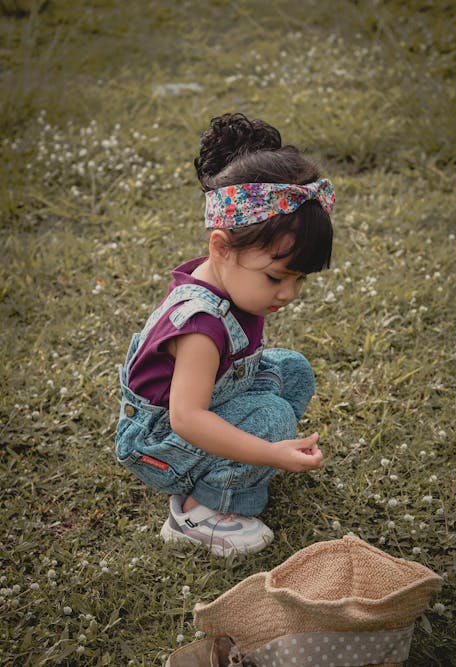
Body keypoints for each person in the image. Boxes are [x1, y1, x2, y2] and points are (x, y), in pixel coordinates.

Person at [115, 112, 335, 556]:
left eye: (300, 279)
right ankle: (201, 511)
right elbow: (186, 418)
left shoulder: (230, 274)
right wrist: (267, 451)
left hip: (202, 404)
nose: (288, 293)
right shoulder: (201, 325)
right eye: (276, 277)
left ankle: (236, 459)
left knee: (291, 370)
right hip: (159, 442)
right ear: (221, 247)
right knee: (271, 418)